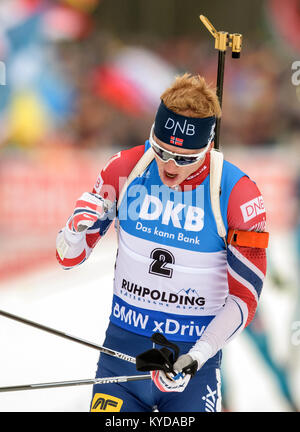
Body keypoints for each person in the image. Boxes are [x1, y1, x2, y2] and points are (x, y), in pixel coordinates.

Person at [56, 73, 268, 412]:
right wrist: (72, 231)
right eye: (161, 150)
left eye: (184, 158)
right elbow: (68, 258)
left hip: (191, 370)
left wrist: (196, 357)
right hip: (121, 362)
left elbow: (246, 297)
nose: (169, 165)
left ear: (208, 147)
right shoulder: (125, 168)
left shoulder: (236, 193)